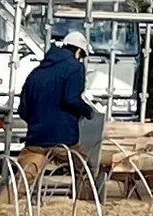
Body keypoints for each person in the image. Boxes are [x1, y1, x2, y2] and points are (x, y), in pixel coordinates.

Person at [15, 30, 97, 188]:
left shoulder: (36, 72)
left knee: (23, 181)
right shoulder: (75, 67)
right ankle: (85, 208)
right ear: (79, 51)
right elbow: (71, 98)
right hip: (63, 140)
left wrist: (38, 123)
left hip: (36, 139)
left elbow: (23, 110)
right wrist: (88, 112)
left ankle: (3, 209)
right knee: (85, 170)